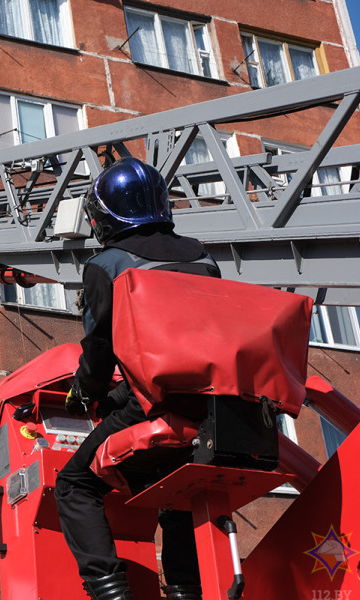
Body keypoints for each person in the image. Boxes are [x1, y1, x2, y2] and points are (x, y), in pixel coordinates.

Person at [54, 157, 221, 600]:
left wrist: (83, 392)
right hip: (213, 407)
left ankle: (110, 592)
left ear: (104, 215)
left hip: (151, 403)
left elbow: (99, 351)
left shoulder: (106, 265)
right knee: (179, 487)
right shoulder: (203, 256)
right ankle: (186, 590)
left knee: (73, 484)